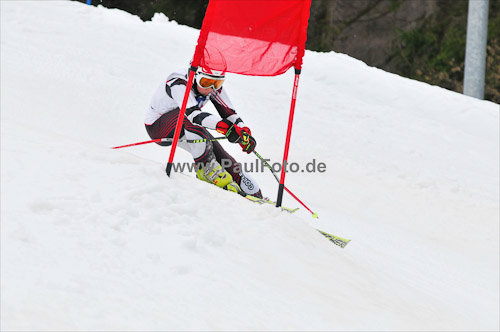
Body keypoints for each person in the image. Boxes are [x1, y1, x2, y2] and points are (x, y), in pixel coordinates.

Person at [144, 64, 263, 198]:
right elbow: (193, 114)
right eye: (205, 83)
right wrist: (227, 129)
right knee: (190, 119)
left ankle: (256, 195)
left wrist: (243, 132)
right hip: (158, 127)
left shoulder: (212, 87)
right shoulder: (178, 83)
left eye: (217, 83)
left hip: (187, 126)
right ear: (195, 77)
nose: (211, 88)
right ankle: (205, 169)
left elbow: (229, 114)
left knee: (220, 154)